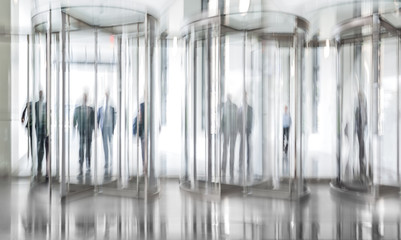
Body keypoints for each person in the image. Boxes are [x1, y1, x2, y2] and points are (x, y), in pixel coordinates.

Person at [73, 93, 95, 177]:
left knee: (88, 148)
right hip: (81, 131)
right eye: (84, 97)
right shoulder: (78, 109)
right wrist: (74, 126)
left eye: (86, 97)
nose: (85, 99)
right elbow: (75, 118)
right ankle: (81, 164)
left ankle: (88, 164)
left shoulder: (91, 109)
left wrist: (93, 128)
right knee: (81, 148)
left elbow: (93, 121)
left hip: (89, 132)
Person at [97, 91, 116, 177]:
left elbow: (114, 118)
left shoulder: (112, 106)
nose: (106, 95)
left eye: (107, 94)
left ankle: (111, 160)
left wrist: (113, 128)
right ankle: (106, 161)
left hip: (109, 127)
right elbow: (98, 116)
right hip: (104, 127)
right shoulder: (101, 105)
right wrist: (98, 126)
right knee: (105, 145)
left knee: (110, 144)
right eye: (105, 94)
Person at [221, 94, 238, 182]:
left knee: (230, 151)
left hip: (231, 132)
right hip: (228, 132)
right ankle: (224, 168)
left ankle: (229, 168)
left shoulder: (234, 107)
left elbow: (237, 119)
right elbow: (222, 120)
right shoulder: (225, 107)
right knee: (228, 150)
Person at [237, 93, 253, 181]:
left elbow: (251, 119)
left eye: (246, 97)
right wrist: (239, 129)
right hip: (242, 130)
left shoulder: (250, 109)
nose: (245, 99)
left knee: (248, 147)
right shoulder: (239, 109)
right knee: (241, 147)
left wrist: (250, 129)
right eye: (244, 97)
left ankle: (248, 163)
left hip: (248, 130)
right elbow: (238, 120)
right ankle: (240, 164)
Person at [35, 90, 49, 178]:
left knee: (45, 148)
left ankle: (47, 168)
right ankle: (39, 165)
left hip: (45, 128)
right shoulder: (35, 104)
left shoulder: (46, 104)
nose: (40, 95)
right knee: (39, 147)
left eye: (41, 93)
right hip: (38, 128)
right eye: (39, 93)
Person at [133, 102, 146, 174]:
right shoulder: (141, 105)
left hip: (148, 131)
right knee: (143, 149)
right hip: (143, 132)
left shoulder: (150, 105)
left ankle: (146, 165)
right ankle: (144, 165)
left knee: (145, 149)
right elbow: (137, 119)